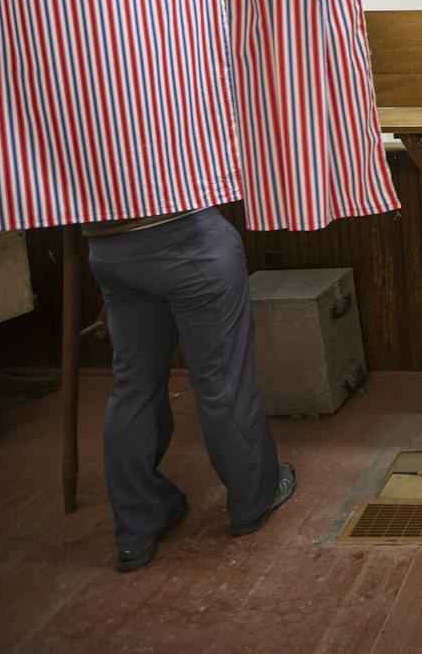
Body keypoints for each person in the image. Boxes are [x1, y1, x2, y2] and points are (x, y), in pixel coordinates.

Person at [84, 207, 296, 572]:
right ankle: (252, 502)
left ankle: (137, 529)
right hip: (185, 235)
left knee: (133, 386)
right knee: (221, 382)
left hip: (107, 246)